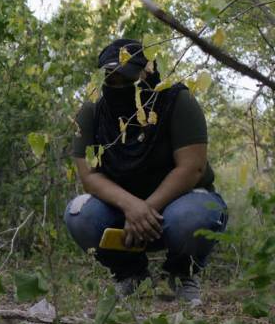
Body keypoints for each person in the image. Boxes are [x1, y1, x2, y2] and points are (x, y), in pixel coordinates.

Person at [64, 38, 227, 302]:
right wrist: (131, 206)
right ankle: (131, 275)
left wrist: (146, 207)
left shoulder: (176, 100)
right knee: (79, 213)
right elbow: (90, 176)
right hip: (123, 215)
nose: (118, 85)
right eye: (111, 78)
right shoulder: (92, 112)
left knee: (191, 217)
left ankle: (182, 274)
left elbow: (192, 167)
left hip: (178, 205)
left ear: (148, 73)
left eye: (127, 78)